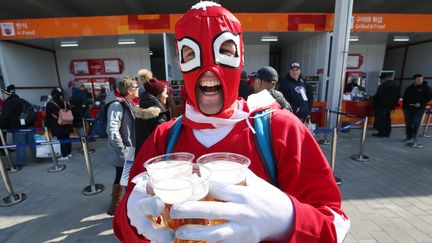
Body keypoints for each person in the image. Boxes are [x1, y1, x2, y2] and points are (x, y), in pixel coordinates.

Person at [113, 2, 350, 242]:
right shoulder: (164, 138)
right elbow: (121, 228)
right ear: (181, 63)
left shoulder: (281, 130)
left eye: (224, 51)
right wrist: (133, 219)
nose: (208, 69)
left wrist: (287, 221)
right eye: (191, 54)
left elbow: (335, 225)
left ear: (241, 56)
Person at [105, 76, 139, 216]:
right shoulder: (117, 105)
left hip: (128, 149)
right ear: (130, 90)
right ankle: (115, 207)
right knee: (121, 176)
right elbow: (112, 130)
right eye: (136, 87)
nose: (138, 90)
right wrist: (123, 150)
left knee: (124, 177)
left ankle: (119, 205)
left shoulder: (127, 103)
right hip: (124, 150)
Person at [0, 85, 37, 168]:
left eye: (4, 93)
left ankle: (20, 162)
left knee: (19, 145)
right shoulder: (22, 100)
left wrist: (2, 126)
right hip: (29, 126)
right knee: (32, 143)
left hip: (18, 128)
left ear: (7, 94)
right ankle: (37, 157)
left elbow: (5, 117)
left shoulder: (8, 102)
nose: (3, 95)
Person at [134, 78, 170, 156]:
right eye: (165, 93)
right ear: (158, 95)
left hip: (142, 155)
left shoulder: (142, 108)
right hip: (154, 158)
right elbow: (163, 141)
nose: (167, 96)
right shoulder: (158, 114)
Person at [402, 74, 432, 142]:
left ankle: (415, 137)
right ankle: (409, 136)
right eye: (418, 79)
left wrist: (420, 104)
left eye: (421, 79)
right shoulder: (409, 88)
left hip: (419, 109)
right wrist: (404, 108)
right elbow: (405, 98)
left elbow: (429, 97)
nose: (420, 81)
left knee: (416, 123)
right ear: (414, 80)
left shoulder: (426, 87)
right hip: (408, 109)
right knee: (408, 123)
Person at [45, 88, 73, 160]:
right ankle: (69, 153)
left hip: (58, 124)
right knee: (67, 138)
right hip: (67, 123)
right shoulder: (65, 102)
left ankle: (64, 155)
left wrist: (47, 126)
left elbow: (48, 116)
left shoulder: (50, 104)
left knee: (61, 139)